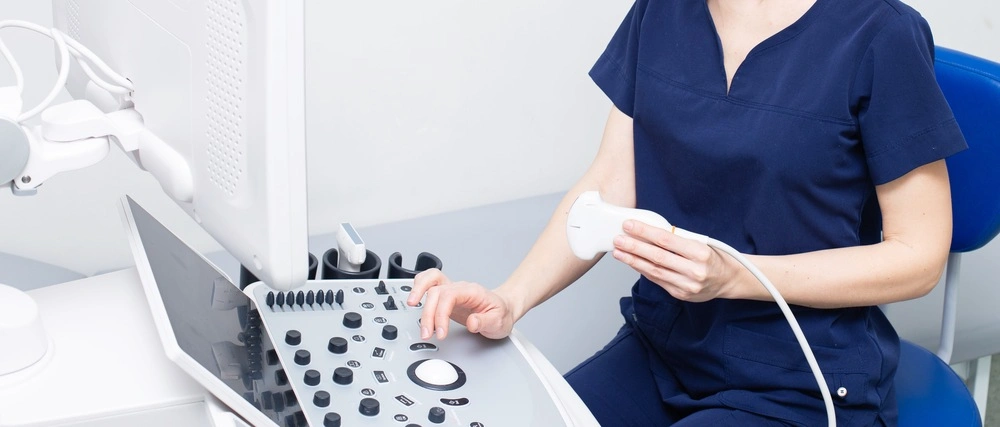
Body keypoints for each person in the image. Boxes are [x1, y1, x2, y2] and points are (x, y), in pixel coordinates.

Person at [406, 0, 968, 424]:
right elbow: (609, 184)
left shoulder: (879, 33)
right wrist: (511, 298)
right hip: (663, 347)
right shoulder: (662, 11)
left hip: (799, 375)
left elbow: (917, 260)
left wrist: (736, 275)